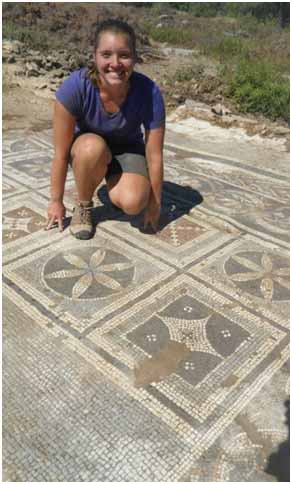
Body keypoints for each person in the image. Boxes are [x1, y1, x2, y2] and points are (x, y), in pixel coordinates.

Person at [46, 18, 165, 240]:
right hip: (87, 148)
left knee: (133, 202)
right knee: (92, 147)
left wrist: (154, 202)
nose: (116, 63)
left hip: (126, 148)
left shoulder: (149, 92)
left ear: (135, 58)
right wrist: (56, 201)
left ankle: (111, 179)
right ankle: (83, 204)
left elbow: (154, 155)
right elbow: (60, 154)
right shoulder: (75, 87)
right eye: (107, 54)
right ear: (95, 56)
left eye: (124, 55)